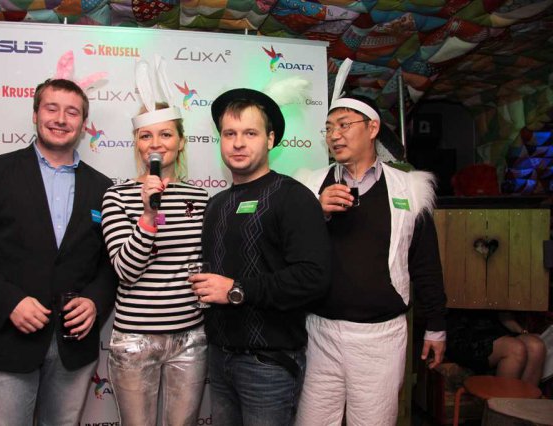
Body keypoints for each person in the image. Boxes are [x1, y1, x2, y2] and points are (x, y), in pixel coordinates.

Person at [0, 78, 118, 425]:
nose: (61, 119)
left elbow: (110, 262)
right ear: (35, 114)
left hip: (73, 347)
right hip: (6, 343)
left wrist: (94, 301)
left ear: (83, 123)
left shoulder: (103, 187)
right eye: (51, 108)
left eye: (72, 112)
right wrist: (9, 302)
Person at [295, 90, 447, 425]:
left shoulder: (410, 189)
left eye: (344, 124)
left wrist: (436, 325)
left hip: (381, 337)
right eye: (328, 128)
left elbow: (425, 262)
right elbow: (288, 253)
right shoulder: (308, 186)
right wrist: (315, 212)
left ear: (373, 128)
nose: (334, 135)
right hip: (319, 332)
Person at [189, 88, 332, 426]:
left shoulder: (292, 197)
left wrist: (236, 290)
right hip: (219, 359)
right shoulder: (216, 204)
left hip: (268, 365)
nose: (238, 143)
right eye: (229, 134)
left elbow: (314, 277)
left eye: (250, 133)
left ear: (270, 139)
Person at [100, 61, 209, 425]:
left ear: (181, 141)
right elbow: (126, 271)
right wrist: (148, 215)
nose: (156, 144)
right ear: (136, 143)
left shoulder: (201, 198)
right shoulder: (117, 196)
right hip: (135, 339)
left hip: (189, 337)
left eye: (165, 134)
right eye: (145, 136)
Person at [447, 310, 546, 386]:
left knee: (536, 346)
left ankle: (523, 404)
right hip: (464, 331)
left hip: (494, 330)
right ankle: (504, 405)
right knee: (515, 349)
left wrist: (523, 332)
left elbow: (505, 317)